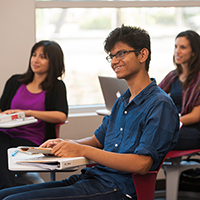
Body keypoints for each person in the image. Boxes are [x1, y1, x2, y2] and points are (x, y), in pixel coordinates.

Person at [0, 25, 179, 200]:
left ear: (142, 54)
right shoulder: (122, 101)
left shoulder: (160, 104)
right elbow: (97, 141)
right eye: (111, 56)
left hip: (119, 188)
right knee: (4, 194)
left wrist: (81, 149)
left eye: (121, 54)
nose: (115, 61)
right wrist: (66, 144)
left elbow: (142, 164)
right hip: (94, 178)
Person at [0, 40, 68, 189]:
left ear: (53, 61)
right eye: (34, 55)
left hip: (31, 139)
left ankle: (6, 190)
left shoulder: (57, 87)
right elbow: (1, 108)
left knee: (2, 150)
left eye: (42, 56)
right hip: (5, 134)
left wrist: (28, 113)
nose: (35, 60)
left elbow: (61, 116)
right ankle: (8, 190)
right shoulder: (15, 81)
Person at [159, 30, 200, 150]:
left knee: (157, 134)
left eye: (183, 47)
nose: (177, 51)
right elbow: (154, 96)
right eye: (176, 46)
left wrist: (169, 122)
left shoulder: (198, 80)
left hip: (193, 129)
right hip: (173, 124)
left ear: (194, 52)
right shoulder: (173, 76)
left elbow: (196, 116)